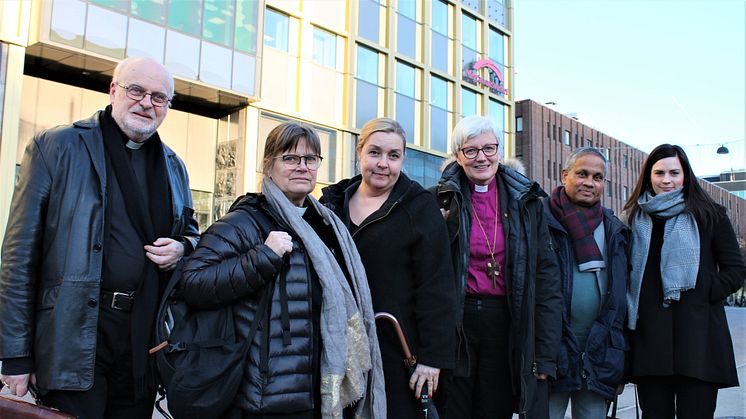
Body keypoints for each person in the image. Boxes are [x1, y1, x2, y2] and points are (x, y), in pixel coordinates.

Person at [0, 57, 200, 418]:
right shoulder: (57, 146)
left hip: (142, 340)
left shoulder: (175, 165)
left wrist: (184, 248)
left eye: (159, 97)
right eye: (136, 90)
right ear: (113, 90)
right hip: (71, 334)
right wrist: (15, 355)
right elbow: (18, 257)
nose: (146, 103)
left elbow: (192, 234)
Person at [182, 122, 386, 419]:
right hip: (267, 396)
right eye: (290, 158)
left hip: (316, 390)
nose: (302, 167)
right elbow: (194, 283)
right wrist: (263, 257)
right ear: (268, 165)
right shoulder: (244, 221)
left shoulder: (327, 226)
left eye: (310, 159)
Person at [320, 118, 456, 417]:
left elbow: (437, 287)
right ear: (359, 152)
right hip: (337, 348)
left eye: (393, 156)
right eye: (375, 153)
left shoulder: (419, 207)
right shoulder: (331, 203)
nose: (383, 164)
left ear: (402, 159)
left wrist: (432, 358)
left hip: (395, 351)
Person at [433, 115, 562, 419]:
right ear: (457, 155)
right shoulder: (440, 201)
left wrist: (544, 355)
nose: (482, 158)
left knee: (495, 409)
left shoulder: (526, 202)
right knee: (454, 409)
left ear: (500, 151)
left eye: (489, 148)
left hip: (506, 322)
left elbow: (547, 279)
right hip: (457, 323)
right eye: (471, 150)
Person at [624, 144, 746, 419]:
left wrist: (704, 290)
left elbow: (735, 270)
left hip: (698, 341)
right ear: (648, 177)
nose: (666, 180)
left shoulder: (710, 215)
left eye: (674, 173)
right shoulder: (634, 218)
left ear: (685, 176)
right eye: (659, 173)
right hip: (650, 342)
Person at [544, 148, 629, 419]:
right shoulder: (539, 219)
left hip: (598, 350)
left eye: (598, 177)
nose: (589, 182)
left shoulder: (615, 229)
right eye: (582, 174)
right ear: (564, 175)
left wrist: (619, 359)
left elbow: (621, 299)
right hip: (551, 349)